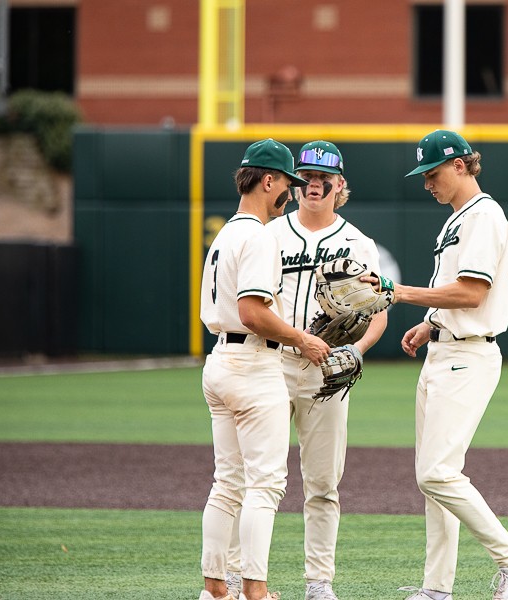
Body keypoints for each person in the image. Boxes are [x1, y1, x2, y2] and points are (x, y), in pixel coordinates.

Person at [391, 130, 508, 600]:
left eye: (432, 173)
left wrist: (400, 292)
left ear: (460, 165)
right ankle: (437, 590)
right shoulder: (458, 218)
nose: (427, 183)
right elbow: (455, 293)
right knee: (435, 481)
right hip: (444, 350)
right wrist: (429, 322)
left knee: (435, 473)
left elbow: (473, 292)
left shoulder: (485, 216)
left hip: (468, 355)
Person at [238, 140, 384, 600]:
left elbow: (377, 310)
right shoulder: (269, 234)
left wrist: (357, 349)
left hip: (328, 372)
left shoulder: (358, 242)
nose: (315, 185)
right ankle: (239, 578)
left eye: (326, 178)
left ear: (341, 186)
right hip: (271, 364)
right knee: (257, 478)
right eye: (308, 177)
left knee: (322, 485)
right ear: (297, 184)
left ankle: (318, 584)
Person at [198, 138, 332, 600]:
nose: (290, 194)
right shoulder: (257, 235)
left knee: (227, 482)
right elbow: (254, 311)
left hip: (219, 361)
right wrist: (302, 338)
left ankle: (216, 588)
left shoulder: (227, 233)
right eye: (286, 184)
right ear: (267, 180)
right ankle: (255, 591)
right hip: (253, 363)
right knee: (265, 485)